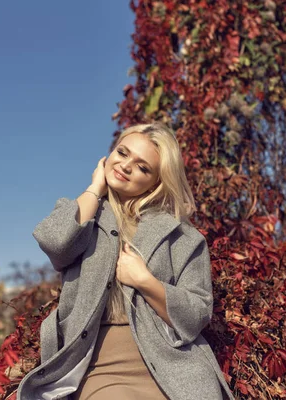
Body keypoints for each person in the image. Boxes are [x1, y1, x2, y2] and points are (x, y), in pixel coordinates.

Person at [17, 123, 235, 400]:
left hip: (172, 365)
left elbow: (195, 317)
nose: (126, 166)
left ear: (157, 181)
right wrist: (95, 188)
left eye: (143, 167)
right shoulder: (85, 216)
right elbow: (55, 243)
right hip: (98, 366)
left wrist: (145, 282)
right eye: (122, 153)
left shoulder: (183, 237)